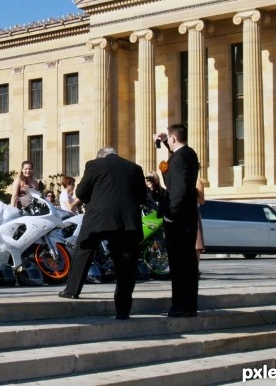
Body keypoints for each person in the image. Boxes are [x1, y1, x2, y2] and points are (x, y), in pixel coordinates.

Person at [58, 147, 148, 320]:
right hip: (126, 221)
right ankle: (123, 310)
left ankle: (72, 290)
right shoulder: (134, 168)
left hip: (99, 219)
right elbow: (142, 196)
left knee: (84, 249)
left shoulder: (94, 164)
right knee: (126, 264)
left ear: (100, 156)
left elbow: (81, 192)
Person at [154, 124, 200, 317]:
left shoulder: (179, 159)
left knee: (179, 263)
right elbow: (177, 160)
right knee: (188, 263)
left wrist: (170, 214)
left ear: (174, 138)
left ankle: (180, 305)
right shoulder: (190, 154)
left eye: (169, 140)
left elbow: (178, 188)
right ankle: (188, 305)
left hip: (178, 219)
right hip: (188, 217)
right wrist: (164, 141)